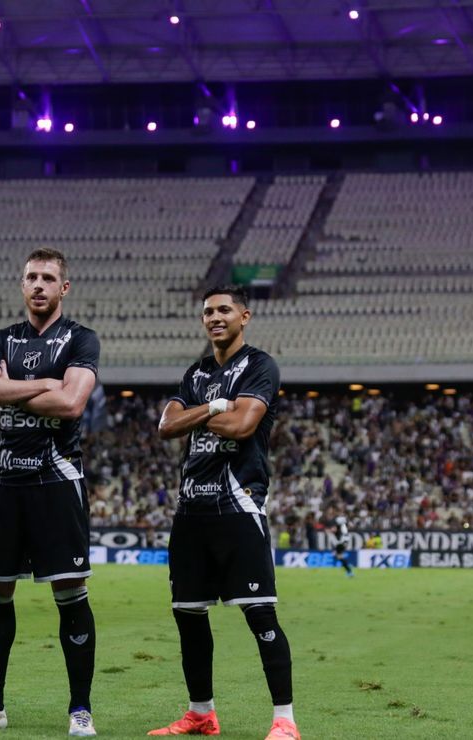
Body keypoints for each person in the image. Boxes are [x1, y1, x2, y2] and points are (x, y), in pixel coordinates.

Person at [0, 247, 100, 737]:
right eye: (31, 277)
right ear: (22, 284)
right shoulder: (2, 338)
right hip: (4, 477)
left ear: (63, 288)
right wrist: (46, 383)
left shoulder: (81, 338)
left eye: (47, 278)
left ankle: (80, 709)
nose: (38, 285)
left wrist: (20, 385)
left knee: (70, 591)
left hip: (56, 478)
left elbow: (72, 403)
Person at [151, 285, 299, 740]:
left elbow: (242, 425)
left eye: (223, 311)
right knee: (189, 615)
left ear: (244, 317)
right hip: (191, 509)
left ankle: (285, 721)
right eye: (207, 312)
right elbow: (165, 427)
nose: (214, 318)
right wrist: (215, 405)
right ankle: (201, 714)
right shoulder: (196, 373)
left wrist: (194, 414)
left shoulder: (259, 366)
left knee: (259, 614)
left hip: (238, 505)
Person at [328, 506, 354, 577]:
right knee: (338, 555)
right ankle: (349, 570)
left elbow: (334, 529)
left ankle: (349, 571)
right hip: (346, 538)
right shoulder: (344, 518)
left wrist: (329, 531)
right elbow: (351, 526)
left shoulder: (335, 519)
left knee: (338, 556)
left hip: (340, 540)